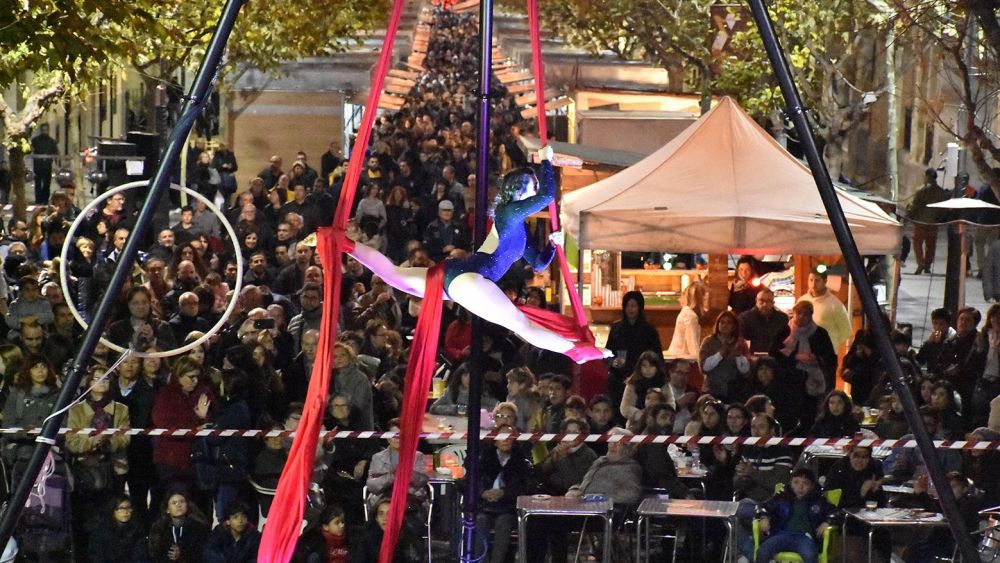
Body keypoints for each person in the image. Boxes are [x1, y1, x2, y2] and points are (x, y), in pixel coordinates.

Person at [336, 146, 608, 364]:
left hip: (460, 275)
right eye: (531, 186)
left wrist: (552, 245)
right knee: (520, 324)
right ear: (518, 190)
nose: (535, 191)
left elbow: (538, 264)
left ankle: (345, 245)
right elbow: (548, 194)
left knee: (395, 275)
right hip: (473, 278)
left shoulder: (519, 231)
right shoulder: (509, 212)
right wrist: (547, 162)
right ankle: (577, 353)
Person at [474, 425, 533, 563]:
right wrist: (482, 492)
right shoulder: (484, 459)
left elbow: (525, 487)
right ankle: (479, 560)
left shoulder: (520, 463)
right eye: (502, 437)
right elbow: (469, 482)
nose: (505, 440)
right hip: (484, 504)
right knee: (480, 520)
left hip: (508, 506)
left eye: (509, 437)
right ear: (495, 441)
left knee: (504, 522)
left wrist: (504, 493)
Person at [753, 468, 835, 563]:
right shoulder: (782, 496)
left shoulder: (819, 500)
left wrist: (827, 522)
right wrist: (764, 517)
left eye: (805, 483)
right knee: (763, 551)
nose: (800, 487)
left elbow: (836, 512)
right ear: (790, 483)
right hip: (781, 534)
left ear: (812, 486)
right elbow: (763, 506)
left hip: (805, 537)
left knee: (810, 555)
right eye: (796, 482)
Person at [606, 290, 664, 412]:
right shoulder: (616, 329)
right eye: (627, 305)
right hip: (619, 378)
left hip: (643, 380)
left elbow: (657, 357)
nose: (630, 309)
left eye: (633, 305)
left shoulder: (649, 330)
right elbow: (608, 353)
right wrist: (613, 362)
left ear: (640, 307)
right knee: (619, 410)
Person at [699, 310, 752, 403]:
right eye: (722, 322)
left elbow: (746, 371)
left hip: (735, 391)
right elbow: (704, 368)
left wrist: (739, 356)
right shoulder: (709, 342)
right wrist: (720, 354)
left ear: (734, 326)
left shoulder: (740, 343)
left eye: (728, 323)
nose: (724, 325)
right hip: (712, 390)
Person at [148, 490, 211, 563]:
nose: (178, 505)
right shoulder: (159, 528)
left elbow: (203, 553)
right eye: (174, 503)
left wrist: (183, 554)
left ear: (187, 505)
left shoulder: (199, 527)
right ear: (167, 509)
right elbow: (154, 554)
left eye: (182, 502)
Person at [796, 268, 851, 350]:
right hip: (804, 350)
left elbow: (846, 331)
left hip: (826, 352)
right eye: (811, 280)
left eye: (817, 280)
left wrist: (831, 343)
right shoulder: (801, 301)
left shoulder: (835, 304)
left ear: (825, 281)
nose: (813, 284)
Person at [907, 168, 949, 274]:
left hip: (921, 221)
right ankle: (927, 265)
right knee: (931, 245)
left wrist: (909, 216)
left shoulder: (921, 190)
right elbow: (944, 208)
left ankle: (920, 263)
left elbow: (915, 205)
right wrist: (940, 218)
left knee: (917, 243)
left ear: (926, 177)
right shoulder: (941, 192)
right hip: (934, 222)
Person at [87, 494, 149, 563]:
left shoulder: (137, 530)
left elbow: (140, 555)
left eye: (129, 508)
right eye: (121, 508)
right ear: (113, 510)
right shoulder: (101, 531)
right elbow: (97, 556)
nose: (126, 512)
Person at [738, 287, 789, 354]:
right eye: (761, 300)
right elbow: (740, 339)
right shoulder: (744, 318)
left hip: (775, 358)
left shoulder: (782, 318)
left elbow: (786, 340)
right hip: (752, 357)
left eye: (768, 301)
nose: (765, 304)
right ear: (756, 300)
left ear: (773, 303)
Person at [30, 123, 58, 205]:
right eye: (43, 130)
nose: (44, 131)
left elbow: (55, 152)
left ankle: (45, 200)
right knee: (38, 184)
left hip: (47, 166)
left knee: (46, 184)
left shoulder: (51, 141)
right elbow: (30, 150)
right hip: (38, 166)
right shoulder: (35, 141)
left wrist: (57, 164)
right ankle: (38, 200)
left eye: (46, 130)